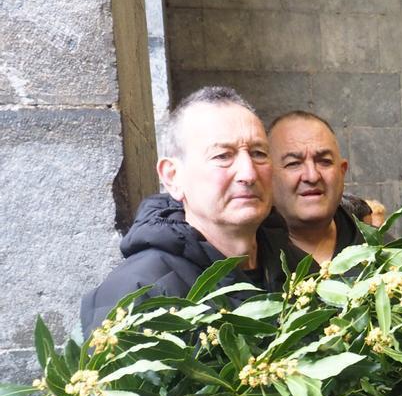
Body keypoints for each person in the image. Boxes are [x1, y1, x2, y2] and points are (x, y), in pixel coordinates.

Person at [80, 86, 292, 335]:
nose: (248, 173)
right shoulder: (138, 295)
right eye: (223, 156)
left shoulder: (299, 271)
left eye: (258, 153)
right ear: (172, 177)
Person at [266, 111, 362, 264]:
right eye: (293, 163)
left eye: (324, 161)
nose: (312, 176)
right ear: (267, 176)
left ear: (342, 171)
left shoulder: (382, 254)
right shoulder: (250, 261)